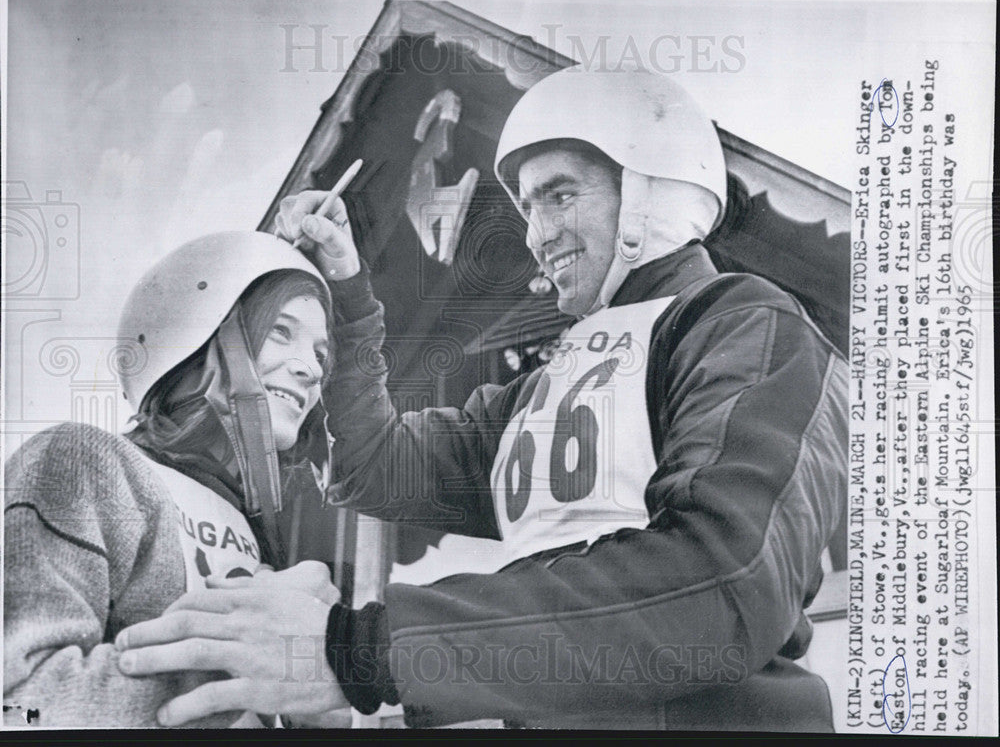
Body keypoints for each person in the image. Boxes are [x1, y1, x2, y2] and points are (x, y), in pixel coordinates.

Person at [115, 70, 848, 731]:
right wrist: (345, 294)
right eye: (527, 206)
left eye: (561, 194)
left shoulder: (746, 322)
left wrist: (359, 651)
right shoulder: (541, 391)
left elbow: (724, 581)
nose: (537, 233)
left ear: (653, 189)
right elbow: (375, 465)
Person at [3, 230, 351, 727]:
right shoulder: (85, 463)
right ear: (200, 331)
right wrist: (239, 666)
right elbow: (17, 707)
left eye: (320, 353)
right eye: (281, 331)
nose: (313, 370)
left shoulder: (259, 535)